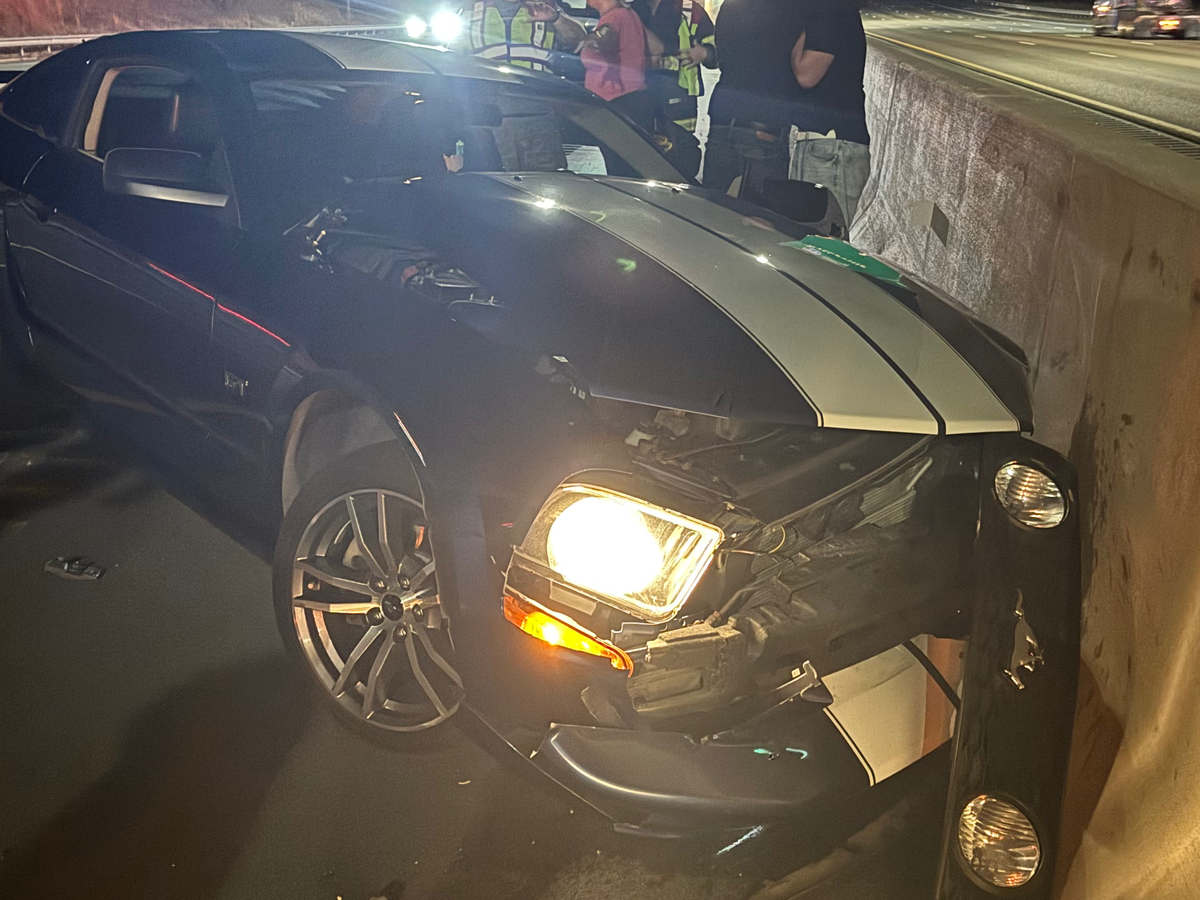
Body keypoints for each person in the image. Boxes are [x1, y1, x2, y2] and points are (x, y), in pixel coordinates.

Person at [701, 0, 810, 194]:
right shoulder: (790, 8)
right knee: (761, 205)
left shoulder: (730, 6)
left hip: (723, 114)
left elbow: (724, 55)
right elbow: (800, 69)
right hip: (764, 120)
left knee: (715, 201)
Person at [788, 0, 871, 225]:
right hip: (828, 146)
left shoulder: (831, 14)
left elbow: (806, 75)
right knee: (809, 235)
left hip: (832, 151)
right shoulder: (832, 12)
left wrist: (791, 36)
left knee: (822, 237)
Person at [579, 0, 654, 134]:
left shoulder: (613, 17)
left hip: (613, 100)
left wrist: (591, 43)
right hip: (633, 97)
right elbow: (658, 48)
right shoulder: (629, 14)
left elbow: (597, 46)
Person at [466, 0, 587, 72]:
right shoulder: (468, 8)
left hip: (534, 92)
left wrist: (556, 18)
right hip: (484, 94)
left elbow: (579, 41)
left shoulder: (544, 6)